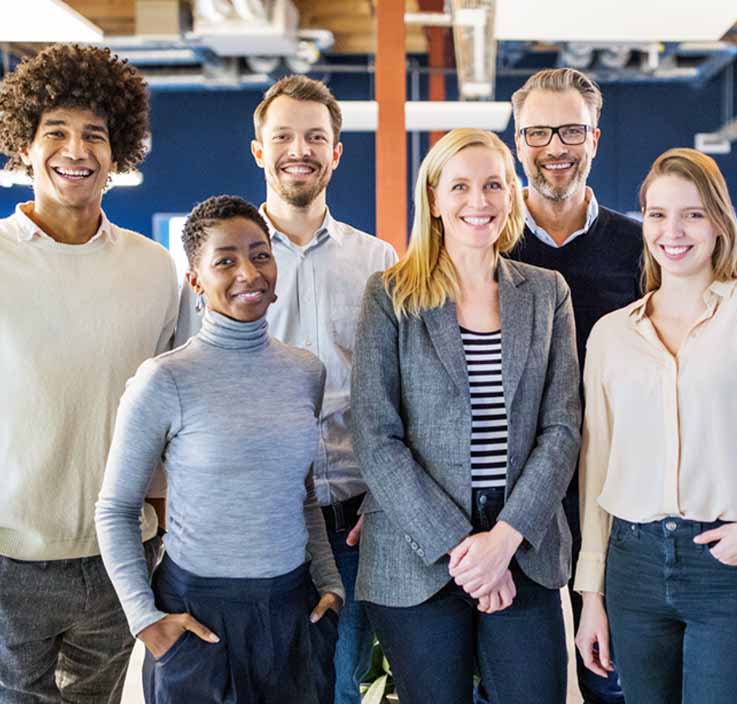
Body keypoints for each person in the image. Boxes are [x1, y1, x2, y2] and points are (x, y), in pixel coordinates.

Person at [176, 75, 397, 704]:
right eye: (283, 137)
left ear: (336, 152)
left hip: (355, 519)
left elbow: (398, 393)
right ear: (257, 150)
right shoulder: (216, 267)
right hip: (254, 521)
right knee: (254, 684)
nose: (299, 149)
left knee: (344, 684)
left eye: (315, 137)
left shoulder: (378, 261)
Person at [573, 147, 737, 704]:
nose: (673, 231)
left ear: (718, 222)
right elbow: (597, 465)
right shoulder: (613, 334)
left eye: (692, 213)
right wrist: (591, 593)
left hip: (732, 564)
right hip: (632, 567)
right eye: (658, 214)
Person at [350, 128, 580, 704]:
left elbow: (562, 428)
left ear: (511, 196)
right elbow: (377, 437)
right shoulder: (390, 294)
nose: (478, 201)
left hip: (522, 545)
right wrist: (464, 550)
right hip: (416, 553)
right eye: (460, 186)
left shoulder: (548, 292)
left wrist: (502, 541)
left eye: (493, 185)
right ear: (433, 199)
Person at [96, 195, 345, 704]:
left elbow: (300, 495)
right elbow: (117, 509)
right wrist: (146, 620)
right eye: (225, 260)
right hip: (198, 617)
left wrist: (330, 583)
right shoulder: (164, 379)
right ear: (195, 280)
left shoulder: (305, 372)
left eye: (259, 254)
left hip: (294, 610)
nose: (248, 273)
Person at [0, 44, 178, 704]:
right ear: (25, 143)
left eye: (94, 135)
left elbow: (172, 408)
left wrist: (156, 523)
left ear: (118, 150)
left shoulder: (154, 269)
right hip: (8, 557)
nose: (75, 150)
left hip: (118, 559)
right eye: (56, 132)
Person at [507, 66, 644, 704]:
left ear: (596, 138)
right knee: (517, 681)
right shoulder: (487, 245)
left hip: (616, 486)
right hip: (512, 494)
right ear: (516, 138)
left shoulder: (644, 248)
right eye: (538, 131)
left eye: (571, 131)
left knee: (613, 678)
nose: (554, 148)